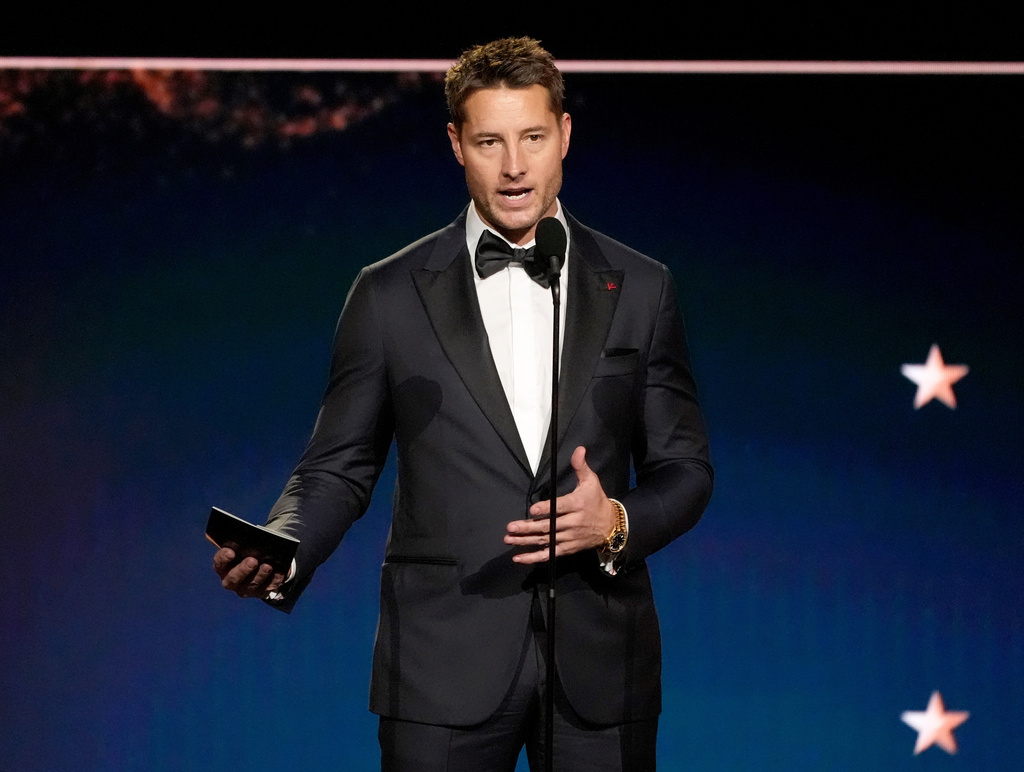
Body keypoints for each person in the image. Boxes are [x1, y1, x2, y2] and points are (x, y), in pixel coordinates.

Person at [213, 37, 712, 771]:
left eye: (533, 138)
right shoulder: (387, 294)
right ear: (456, 145)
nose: (515, 166)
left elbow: (687, 469)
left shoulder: (640, 287)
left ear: (564, 135)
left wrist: (615, 521)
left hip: (601, 668)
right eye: (490, 142)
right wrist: (284, 547)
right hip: (441, 667)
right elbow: (339, 465)